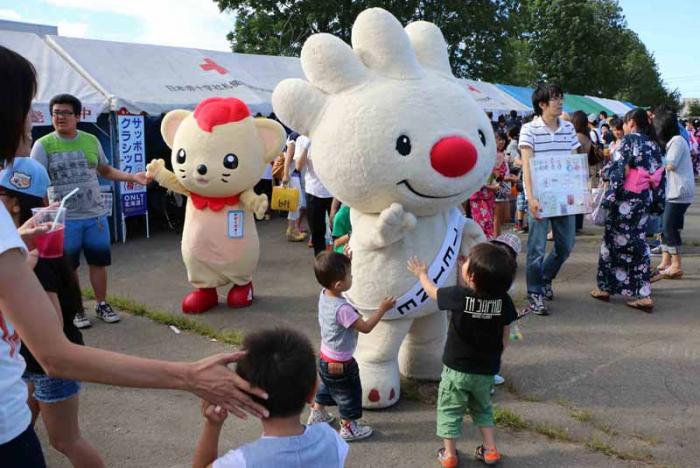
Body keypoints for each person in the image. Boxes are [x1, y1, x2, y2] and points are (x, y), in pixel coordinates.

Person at [0, 45, 267, 468]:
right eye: (26, 106)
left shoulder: (19, 212)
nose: (35, 118)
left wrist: (15, 246)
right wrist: (188, 376)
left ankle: (105, 302)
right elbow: (56, 353)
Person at [0, 157, 104, 467]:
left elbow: (54, 328)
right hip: (29, 367)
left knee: (65, 440)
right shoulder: (22, 250)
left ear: (16, 204)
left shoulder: (35, 258)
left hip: (47, 368)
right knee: (25, 425)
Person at [30, 94, 148, 328]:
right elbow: (37, 183)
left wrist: (132, 177)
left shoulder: (91, 140)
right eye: (55, 113)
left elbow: (105, 170)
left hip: (95, 215)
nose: (59, 117)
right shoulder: (43, 145)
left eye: (65, 113)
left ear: (77, 115)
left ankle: (101, 304)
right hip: (65, 219)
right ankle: (76, 309)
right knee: (69, 266)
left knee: (99, 262)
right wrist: (46, 214)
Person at [407, 243, 518, 468]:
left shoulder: (459, 296)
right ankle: (490, 450)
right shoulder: (503, 301)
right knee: (483, 408)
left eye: (467, 262)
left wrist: (422, 274)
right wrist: (499, 353)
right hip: (486, 369)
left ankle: (449, 455)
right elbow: (506, 331)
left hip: (456, 369)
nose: (463, 262)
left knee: (450, 409)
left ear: (473, 277)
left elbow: (433, 292)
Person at [194, 328, 348, 468]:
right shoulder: (330, 439)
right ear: (313, 390)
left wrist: (213, 425)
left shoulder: (242, 461)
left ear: (246, 395)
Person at [307, 251, 395, 441]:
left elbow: (335, 277)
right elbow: (366, 328)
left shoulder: (324, 294)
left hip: (324, 357)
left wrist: (345, 261)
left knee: (327, 387)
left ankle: (318, 413)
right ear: (339, 284)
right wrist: (382, 309)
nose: (352, 276)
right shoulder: (343, 310)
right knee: (350, 394)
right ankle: (349, 427)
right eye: (350, 274)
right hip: (341, 364)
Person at [591, 108, 665, 312]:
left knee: (611, 242)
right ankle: (638, 292)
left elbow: (618, 170)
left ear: (631, 122)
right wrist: (658, 202)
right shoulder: (654, 145)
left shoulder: (629, 141)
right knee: (638, 241)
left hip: (625, 200)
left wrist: (609, 198)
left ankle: (607, 288)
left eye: (624, 122)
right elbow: (660, 176)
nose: (623, 126)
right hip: (644, 199)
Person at [519, 82, 582, 316]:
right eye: (555, 98)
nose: (560, 102)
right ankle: (535, 292)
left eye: (561, 98)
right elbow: (527, 166)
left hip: (565, 196)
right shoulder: (529, 129)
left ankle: (545, 277)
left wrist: (580, 192)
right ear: (542, 104)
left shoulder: (568, 128)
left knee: (566, 246)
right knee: (536, 248)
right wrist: (531, 197)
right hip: (540, 197)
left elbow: (575, 161)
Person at [651, 110, 695, 282]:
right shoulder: (673, 141)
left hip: (679, 191)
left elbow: (671, 165)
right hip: (672, 191)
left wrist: (653, 162)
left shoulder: (677, 141)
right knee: (664, 226)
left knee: (669, 227)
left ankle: (676, 265)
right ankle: (665, 260)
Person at [296, 135, 334, 255]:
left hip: (334, 192)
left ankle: (338, 261)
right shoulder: (302, 140)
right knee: (317, 231)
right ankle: (320, 261)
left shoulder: (329, 134)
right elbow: (298, 166)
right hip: (313, 191)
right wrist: (307, 145)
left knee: (337, 228)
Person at [281, 132, 307, 242]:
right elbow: (288, 157)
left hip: (299, 175)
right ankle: (291, 230)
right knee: (297, 203)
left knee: (300, 203)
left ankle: (293, 229)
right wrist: (286, 174)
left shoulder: (303, 136)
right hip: (293, 175)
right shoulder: (295, 136)